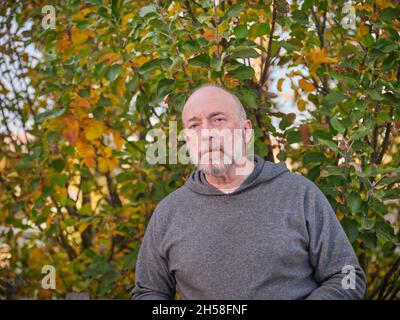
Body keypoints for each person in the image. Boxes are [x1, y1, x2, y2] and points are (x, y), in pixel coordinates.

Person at [131, 83, 366, 300]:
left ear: (246, 131)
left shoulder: (299, 195)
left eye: (218, 119)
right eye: (194, 125)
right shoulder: (169, 213)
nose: (206, 134)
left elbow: (348, 276)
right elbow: (148, 292)